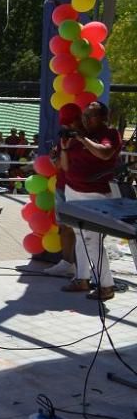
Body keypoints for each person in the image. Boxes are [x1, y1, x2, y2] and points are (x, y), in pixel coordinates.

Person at [59, 101, 122, 301]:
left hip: (95, 196)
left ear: (104, 117)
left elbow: (105, 153)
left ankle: (107, 286)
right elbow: (66, 167)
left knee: (92, 241)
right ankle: (82, 279)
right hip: (73, 191)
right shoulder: (79, 136)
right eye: (84, 115)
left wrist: (83, 138)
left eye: (90, 115)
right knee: (80, 237)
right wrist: (64, 149)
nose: (85, 119)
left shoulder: (109, 134)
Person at [44, 104, 83, 277]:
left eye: (70, 122)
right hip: (62, 187)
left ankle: (83, 269)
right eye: (65, 123)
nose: (67, 126)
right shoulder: (64, 137)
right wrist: (54, 156)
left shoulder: (86, 137)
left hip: (80, 188)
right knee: (64, 227)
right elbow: (59, 165)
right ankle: (67, 264)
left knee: (82, 230)